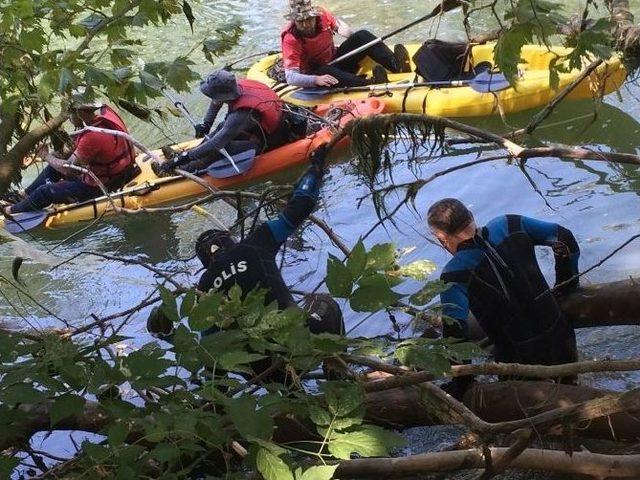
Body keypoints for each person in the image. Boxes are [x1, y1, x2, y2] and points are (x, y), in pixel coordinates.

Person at [149, 145, 344, 380]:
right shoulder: (256, 242)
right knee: (322, 301)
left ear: (206, 263)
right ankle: (336, 364)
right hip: (300, 345)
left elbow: (210, 351)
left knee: (231, 350)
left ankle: (288, 400)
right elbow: (300, 206)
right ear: (231, 242)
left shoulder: (203, 289)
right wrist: (315, 169)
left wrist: (167, 335)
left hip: (263, 371)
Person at [427, 198, 580, 397]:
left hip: (519, 364)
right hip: (563, 340)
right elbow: (563, 237)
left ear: (440, 237)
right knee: (572, 391)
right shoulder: (509, 224)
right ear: (471, 217)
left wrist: (462, 382)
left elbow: (455, 334)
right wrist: (566, 285)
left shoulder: (453, 275)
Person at [2, 96, 137, 215]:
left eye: (71, 113)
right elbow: (79, 151)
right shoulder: (106, 114)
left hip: (102, 185)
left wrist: (47, 156)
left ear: (81, 112)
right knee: (53, 168)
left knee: (45, 191)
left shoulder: (92, 137)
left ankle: (9, 211)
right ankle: (24, 195)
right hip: (122, 170)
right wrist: (57, 155)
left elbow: (69, 169)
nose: (70, 118)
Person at [153, 70, 291, 176]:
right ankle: (184, 156)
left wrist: (181, 160)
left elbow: (217, 143)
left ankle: (184, 168)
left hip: (264, 141)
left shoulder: (241, 115)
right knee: (220, 127)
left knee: (221, 148)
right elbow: (215, 102)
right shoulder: (237, 87)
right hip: (252, 130)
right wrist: (206, 124)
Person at [281, 0, 410, 88]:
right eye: (300, 21)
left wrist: (359, 42)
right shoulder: (291, 38)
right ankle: (368, 83)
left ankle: (396, 65)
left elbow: (340, 27)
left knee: (362, 35)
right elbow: (291, 77)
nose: (305, 25)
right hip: (317, 74)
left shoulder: (323, 16)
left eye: (308, 19)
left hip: (335, 60)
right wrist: (316, 80)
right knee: (324, 70)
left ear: (314, 16)